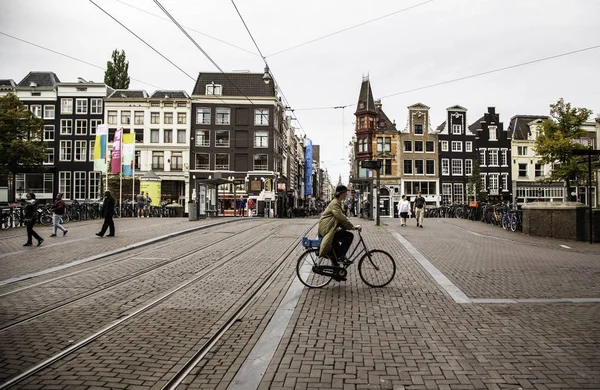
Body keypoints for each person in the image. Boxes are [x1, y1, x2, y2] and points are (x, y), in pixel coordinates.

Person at [318, 185, 362, 267]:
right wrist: (352, 227)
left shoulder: (337, 202)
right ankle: (341, 257)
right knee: (349, 236)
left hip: (330, 228)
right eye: (345, 193)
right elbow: (341, 218)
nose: (346, 195)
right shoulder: (335, 203)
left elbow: (340, 219)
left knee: (336, 249)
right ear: (342, 193)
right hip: (327, 229)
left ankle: (336, 270)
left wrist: (347, 227)